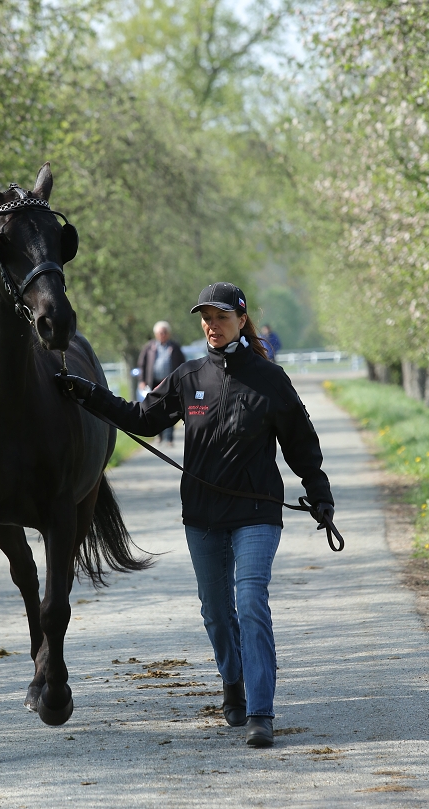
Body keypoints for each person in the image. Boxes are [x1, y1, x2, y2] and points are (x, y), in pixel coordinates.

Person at [55, 282, 334, 748]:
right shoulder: (189, 377)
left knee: (250, 602)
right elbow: (140, 417)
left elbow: (302, 446)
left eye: (221, 317)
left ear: (241, 320)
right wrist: (86, 393)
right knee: (216, 613)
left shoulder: (271, 380)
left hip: (257, 511)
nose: (212, 325)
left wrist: (319, 494)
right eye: (205, 317)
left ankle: (261, 713)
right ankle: (233, 680)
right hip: (202, 514)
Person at [137, 320, 186, 445]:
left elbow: (183, 364)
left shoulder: (174, 347)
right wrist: (142, 381)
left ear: (168, 333)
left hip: (170, 383)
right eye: (160, 332)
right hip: (154, 383)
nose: (162, 334)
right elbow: (142, 365)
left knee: (170, 409)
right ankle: (159, 435)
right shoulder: (149, 347)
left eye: (164, 332)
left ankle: (169, 438)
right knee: (155, 409)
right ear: (156, 334)